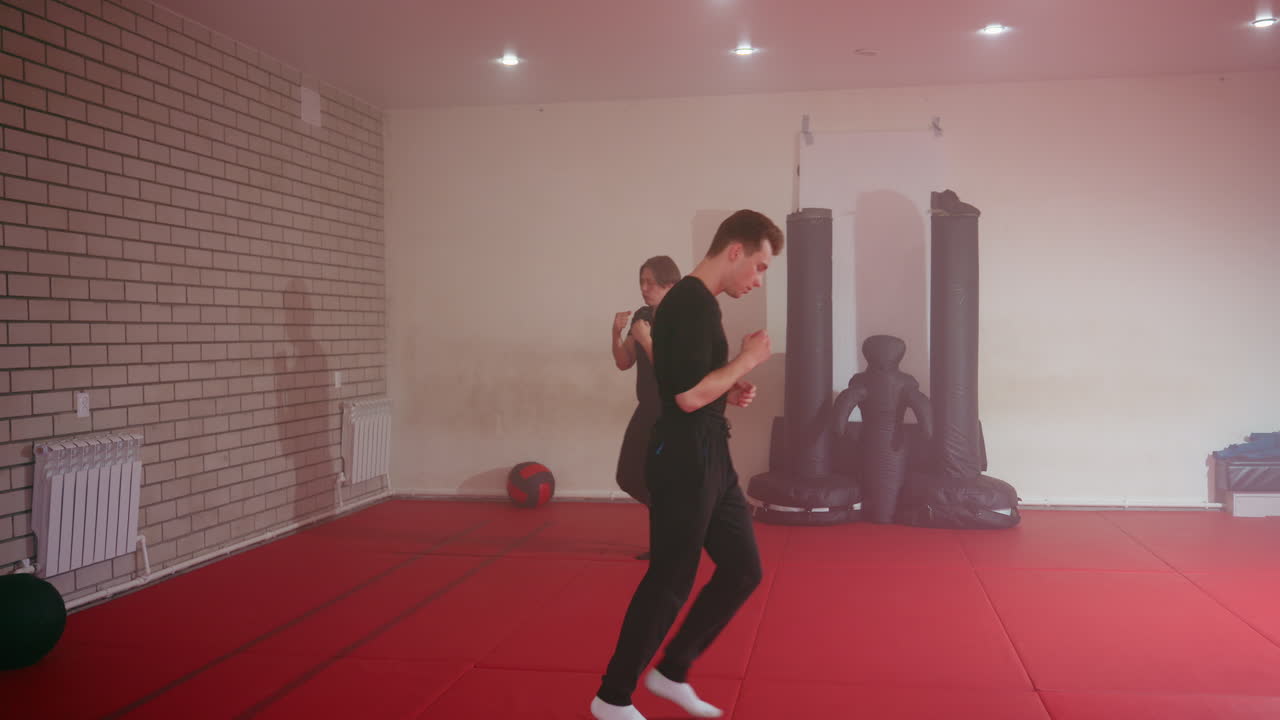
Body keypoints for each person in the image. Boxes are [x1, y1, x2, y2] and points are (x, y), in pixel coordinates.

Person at [591, 210, 784, 720]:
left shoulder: (694, 304)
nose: (759, 279)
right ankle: (611, 698)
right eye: (760, 266)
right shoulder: (691, 304)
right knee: (670, 578)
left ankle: (672, 670)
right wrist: (747, 361)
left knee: (743, 569)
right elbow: (687, 397)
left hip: (710, 453)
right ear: (736, 250)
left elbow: (692, 380)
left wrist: (730, 386)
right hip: (683, 458)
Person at [612, 256, 682, 560]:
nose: (643, 289)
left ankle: (665, 547)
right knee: (628, 476)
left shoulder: (681, 318)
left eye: (649, 282)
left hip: (671, 411)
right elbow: (623, 361)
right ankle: (671, 534)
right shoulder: (642, 315)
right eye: (641, 281)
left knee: (659, 478)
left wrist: (647, 339)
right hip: (647, 408)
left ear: (669, 284)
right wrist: (616, 332)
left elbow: (673, 375)